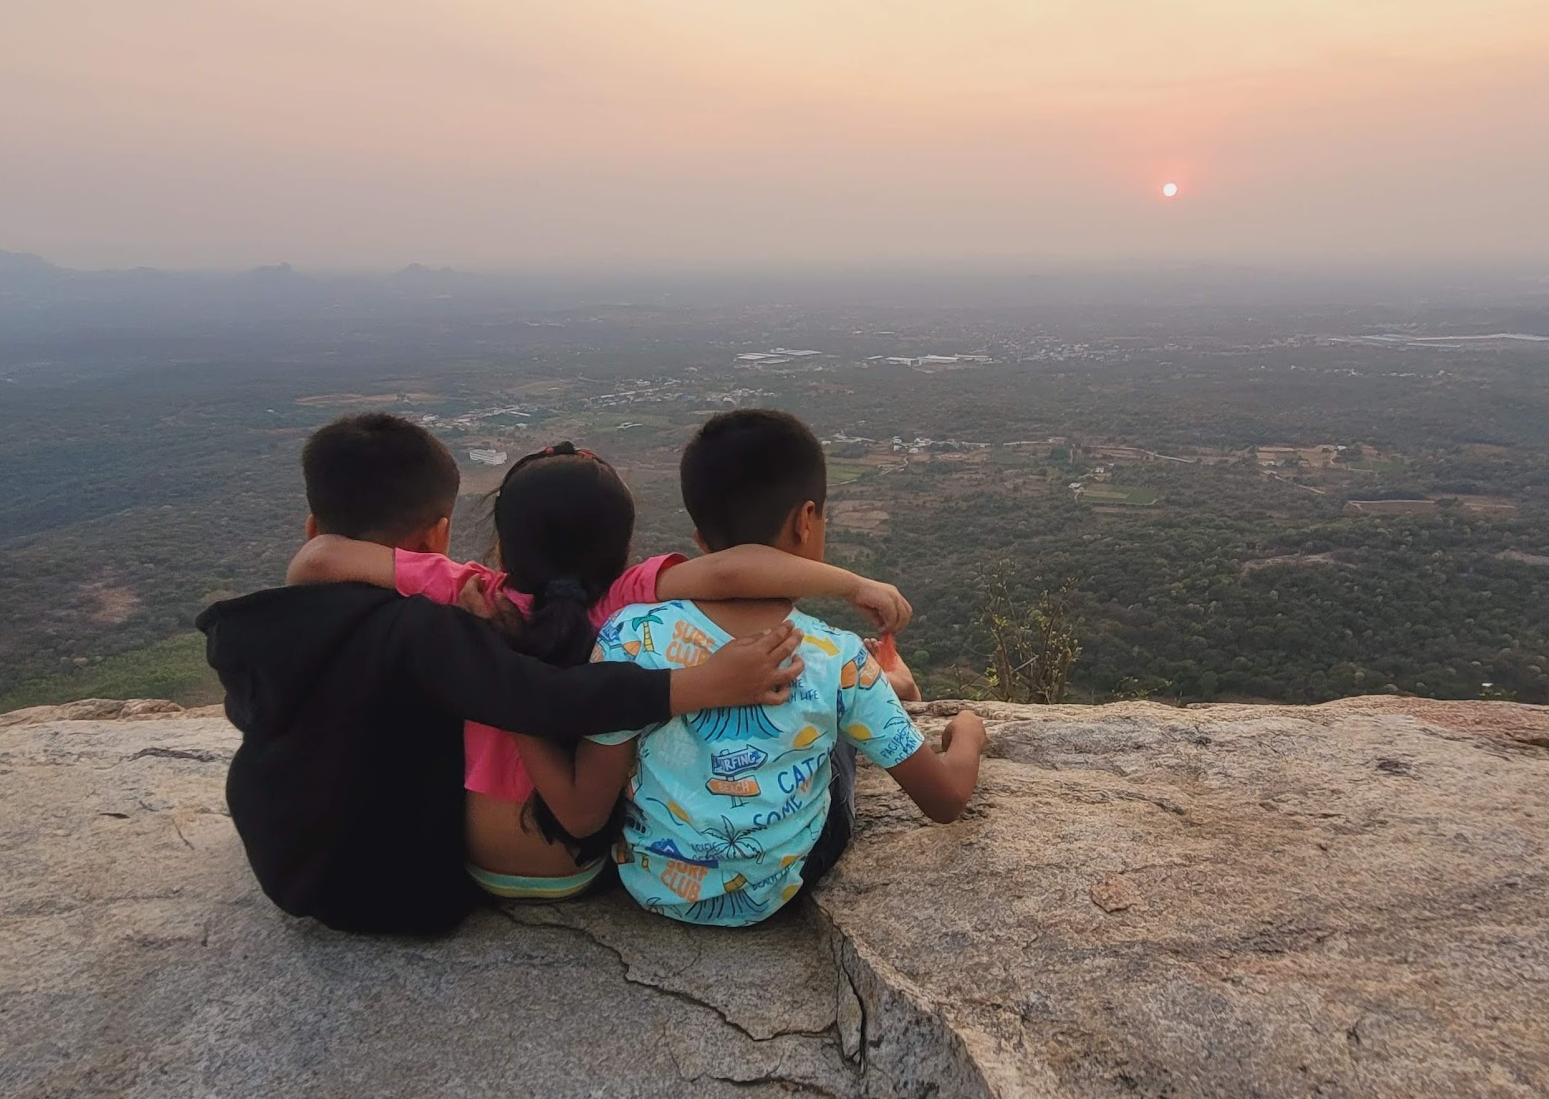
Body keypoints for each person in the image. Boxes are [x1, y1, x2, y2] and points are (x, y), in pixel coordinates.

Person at [196, 413, 801, 935]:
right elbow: (721, 578)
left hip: (394, 865)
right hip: (541, 868)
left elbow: (321, 559)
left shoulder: (450, 607)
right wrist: (853, 588)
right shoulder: (623, 609)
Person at [286, 440, 914, 902]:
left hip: (473, 856)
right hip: (585, 866)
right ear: (623, 546)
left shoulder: (477, 593)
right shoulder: (627, 597)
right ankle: (889, 691)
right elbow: (731, 569)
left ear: (503, 545)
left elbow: (318, 558)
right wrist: (857, 584)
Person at [516, 409, 987, 927]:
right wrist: (968, 733)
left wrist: (508, 693)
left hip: (652, 886)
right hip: (777, 893)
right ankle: (887, 692)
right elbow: (945, 802)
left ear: (699, 542)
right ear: (806, 520)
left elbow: (585, 812)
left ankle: (882, 692)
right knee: (840, 725)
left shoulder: (628, 634)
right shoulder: (835, 654)